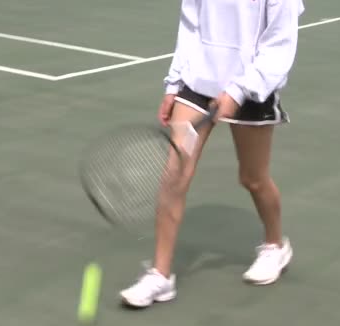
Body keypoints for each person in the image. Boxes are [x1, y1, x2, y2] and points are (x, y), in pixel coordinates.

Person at [120, 0, 305, 307]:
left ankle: (275, 246)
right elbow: (190, 26)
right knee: (174, 174)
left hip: (253, 86)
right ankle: (160, 275)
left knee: (253, 178)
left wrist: (238, 91)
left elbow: (279, 47)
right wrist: (174, 84)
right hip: (198, 84)